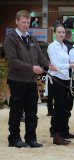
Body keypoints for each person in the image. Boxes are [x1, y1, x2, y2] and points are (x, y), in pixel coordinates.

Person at [4, 10, 57, 148]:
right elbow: (13, 61)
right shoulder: (10, 38)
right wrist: (32, 68)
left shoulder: (32, 39)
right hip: (17, 80)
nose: (26, 25)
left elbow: (40, 56)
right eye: (23, 22)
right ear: (16, 22)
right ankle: (14, 139)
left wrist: (48, 64)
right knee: (16, 111)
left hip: (31, 81)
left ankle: (31, 138)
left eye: (28, 22)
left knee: (32, 112)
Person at [47, 24, 74, 145]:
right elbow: (54, 65)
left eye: (63, 32)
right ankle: (57, 135)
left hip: (65, 79)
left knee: (64, 107)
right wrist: (69, 65)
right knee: (59, 107)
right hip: (55, 78)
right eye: (59, 32)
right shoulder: (51, 46)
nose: (61, 34)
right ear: (55, 33)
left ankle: (62, 132)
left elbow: (66, 63)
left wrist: (73, 67)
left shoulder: (65, 47)